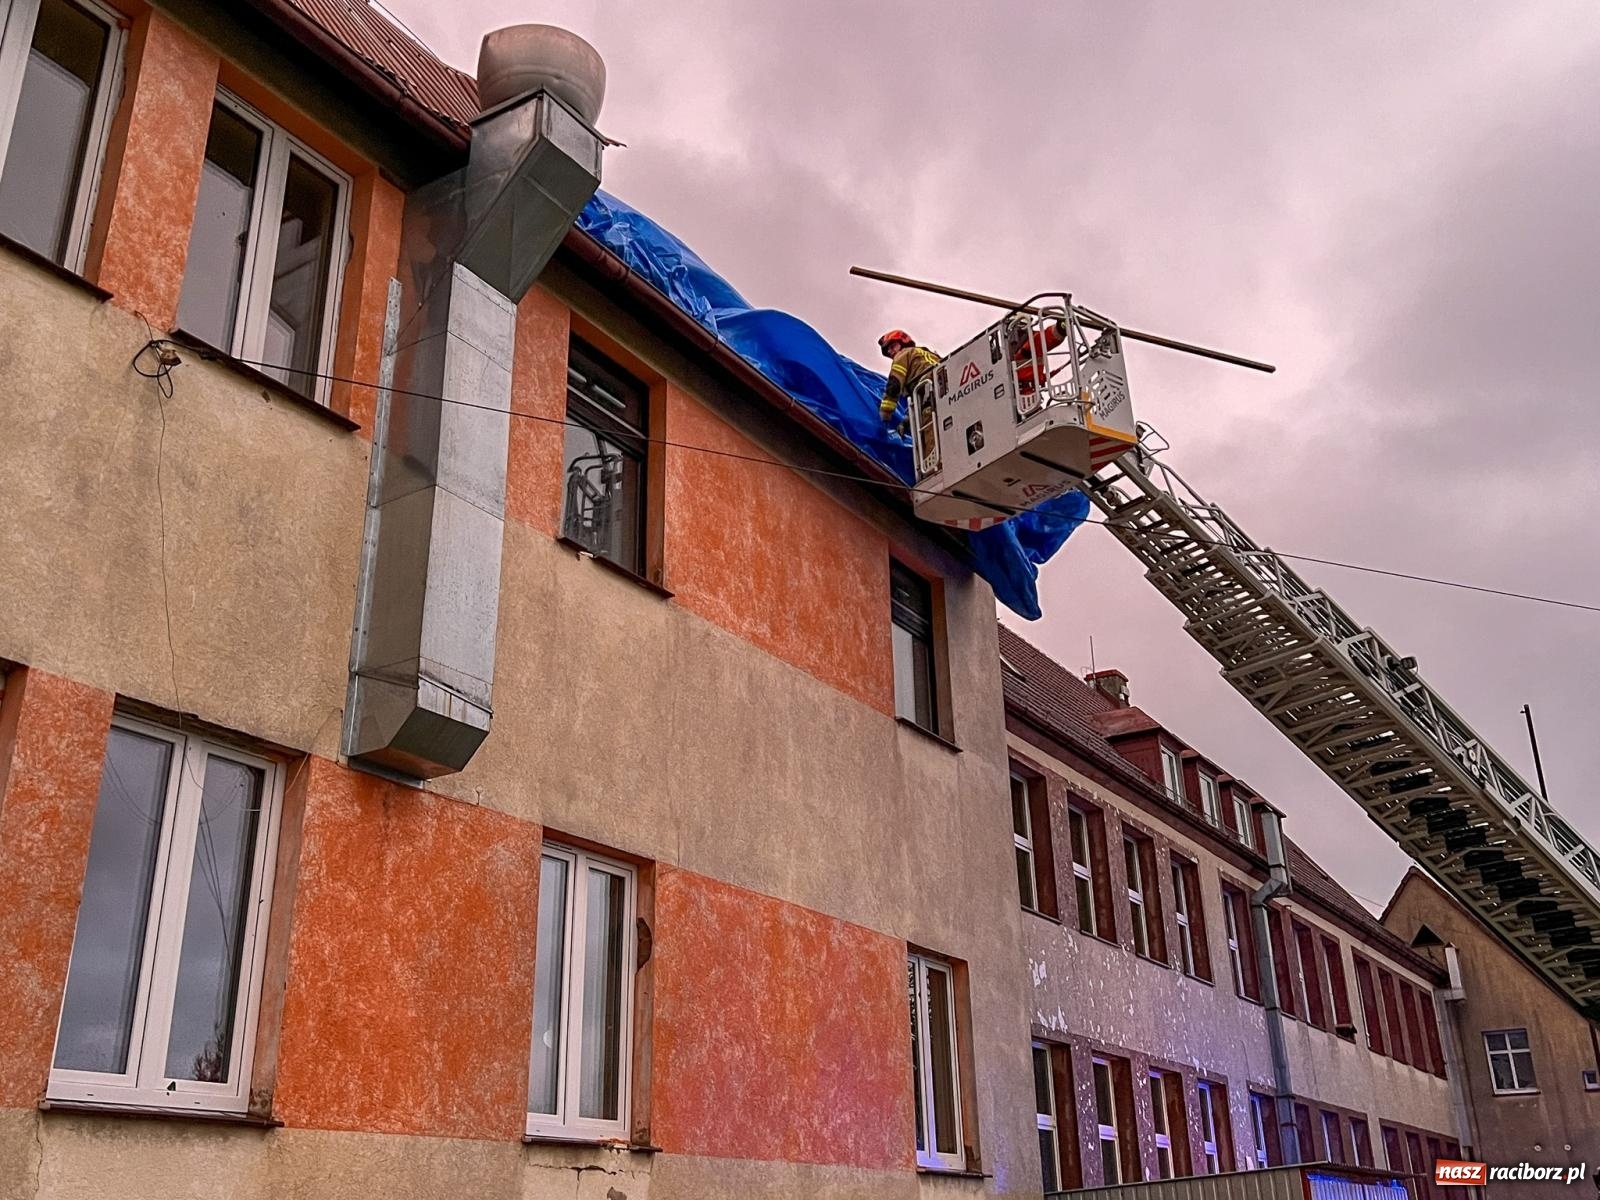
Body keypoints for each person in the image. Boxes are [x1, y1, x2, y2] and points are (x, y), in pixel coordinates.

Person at [877, 330, 940, 424]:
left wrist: (885, 414)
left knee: (931, 435)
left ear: (903, 342)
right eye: (888, 350)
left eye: (892, 346)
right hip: (946, 392)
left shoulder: (903, 354)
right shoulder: (929, 354)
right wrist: (908, 419)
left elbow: (895, 384)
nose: (890, 351)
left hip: (931, 398)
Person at [1007, 311, 1069, 393]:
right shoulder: (1006, 352)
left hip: (1028, 393)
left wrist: (1061, 327)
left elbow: (1050, 337)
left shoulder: (1032, 342)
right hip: (1017, 394)